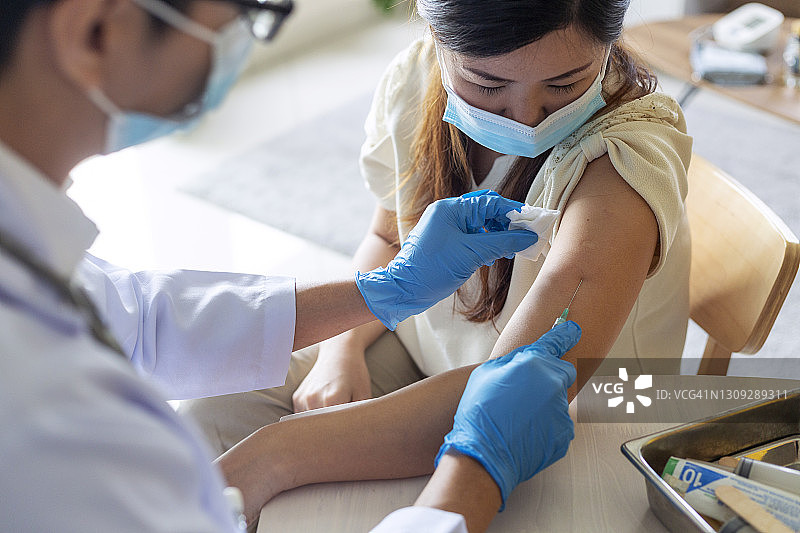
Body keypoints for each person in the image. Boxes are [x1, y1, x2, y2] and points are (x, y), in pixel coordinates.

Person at [0, 0, 579, 532]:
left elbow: (141, 319)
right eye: (242, 13)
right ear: (94, 31)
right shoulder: (38, 403)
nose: (526, 118)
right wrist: (471, 481)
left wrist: (386, 290)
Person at [181, 0, 693, 456]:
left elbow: (508, 396)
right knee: (208, 421)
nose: (526, 118)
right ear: (434, 32)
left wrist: (274, 456)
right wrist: (343, 351)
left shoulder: (620, 164)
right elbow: (388, 239)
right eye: (487, 84)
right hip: (423, 352)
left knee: (266, 467)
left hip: (569, 412)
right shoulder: (417, 79)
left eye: (565, 84)